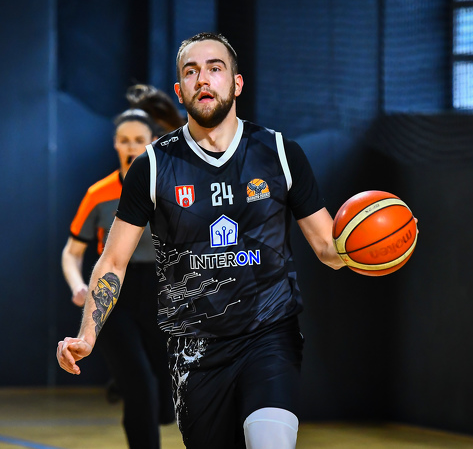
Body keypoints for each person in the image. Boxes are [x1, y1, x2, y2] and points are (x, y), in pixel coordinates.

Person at [57, 32, 347, 449]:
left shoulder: (280, 153)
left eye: (215, 68)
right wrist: (87, 335)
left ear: (237, 83)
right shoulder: (154, 166)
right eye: (191, 72)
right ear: (180, 91)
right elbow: (113, 261)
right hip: (194, 349)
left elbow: (327, 248)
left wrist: (371, 252)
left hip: (269, 335)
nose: (203, 79)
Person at [61, 108, 175, 449]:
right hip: (114, 294)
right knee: (140, 388)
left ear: (152, 142)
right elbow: (71, 252)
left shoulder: (170, 188)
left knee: (166, 397)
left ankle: (123, 383)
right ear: (115, 144)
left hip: (161, 291)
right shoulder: (99, 194)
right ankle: (128, 382)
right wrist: (78, 285)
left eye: (138, 140)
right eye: (124, 140)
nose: (131, 146)